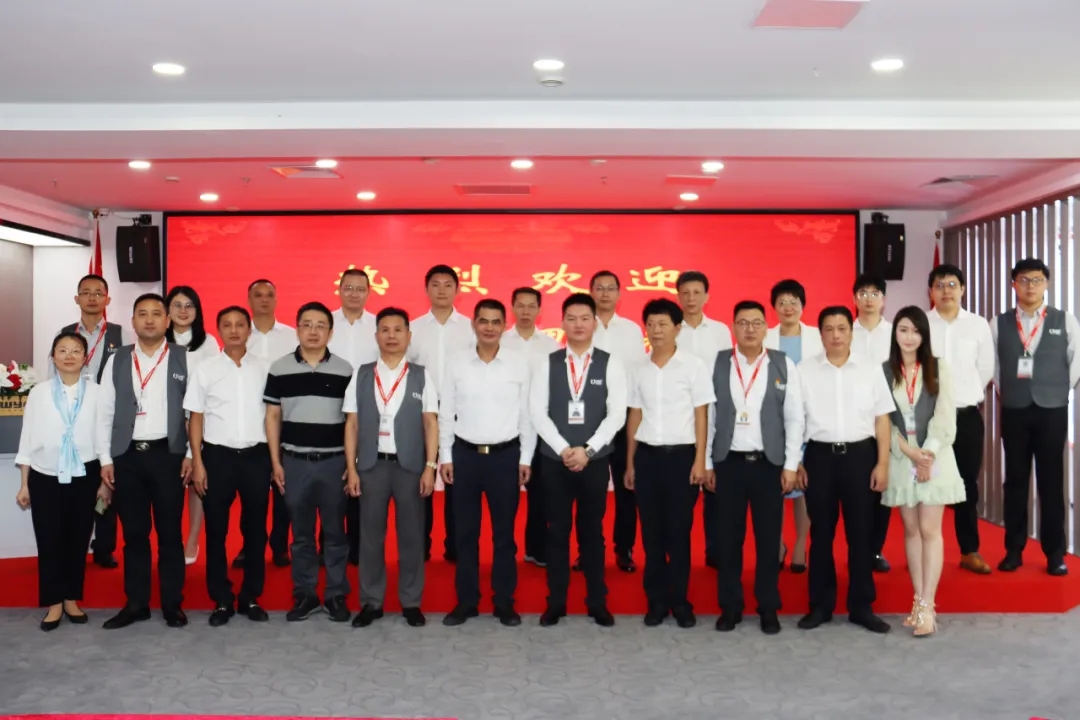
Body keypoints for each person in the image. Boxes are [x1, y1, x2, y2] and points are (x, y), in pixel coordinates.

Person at [98, 294, 192, 629]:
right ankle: (136, 603)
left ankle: (172, 604)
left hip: (169, 456)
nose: (149, 320)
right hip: (127, 457)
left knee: (169, 534)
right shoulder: (117, 359)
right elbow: (104, 413)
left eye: (156, 314)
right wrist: (106, 459)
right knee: (134, 533)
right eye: (142, 314)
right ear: (133, 321)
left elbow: (196, 412)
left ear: (168, 321)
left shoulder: (185, 358)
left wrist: (191, 455)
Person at [796, 306, 893, 634]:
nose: (836, 335)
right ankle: (820, 605)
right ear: (820, 334)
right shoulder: (805, 369)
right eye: (829, 329)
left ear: (851, 333)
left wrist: (882, 463)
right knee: (821, 534)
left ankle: (861, 606)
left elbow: (882, 419)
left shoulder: (870, 368)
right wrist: (796, 461)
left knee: (861, 534)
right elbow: (795, 419)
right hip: (819, 457)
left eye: (842, 328)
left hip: (860, 457)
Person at [531, 293, 625, 627]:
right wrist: (563, 450)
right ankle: (555, 602)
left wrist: (588, 450)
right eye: (571, 318)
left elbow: (617, 414)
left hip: (594, 462)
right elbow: (537, 412)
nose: (578, 324)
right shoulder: (548, 363)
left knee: (592, 533)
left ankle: (597, 602)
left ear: (595, 323)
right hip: (554, 461)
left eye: (585, 318)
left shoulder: (610, 363)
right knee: (557, 532)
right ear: (562, 323)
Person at [440, 299, 536, 627]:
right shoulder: (456, 363)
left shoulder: (518, 364)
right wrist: (446, 456)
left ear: (504, 326)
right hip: (465, 457)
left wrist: (525, 457)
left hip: (505, 458)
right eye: (484, 321)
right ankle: (466, 602)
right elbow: (445, 413)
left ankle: (504, 602)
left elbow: (527, 415)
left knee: (504, 535)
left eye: (496, 322)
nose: (490, 328)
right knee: (465, 534)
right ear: (474, 324)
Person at [711, 301, 804, 635]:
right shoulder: (719, 363)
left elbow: (794, 418)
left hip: (768, 465)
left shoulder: (782, 364)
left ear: (766, 327)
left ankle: (768, 607)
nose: (749, 329)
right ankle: (730, 607)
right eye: (743, 323)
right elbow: (709, 417)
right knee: (728, 541)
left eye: (756, 323)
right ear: (733, 327)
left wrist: (790, 465)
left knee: (768, 541)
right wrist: (707, 463)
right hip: (728, 464)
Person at [344, 308, 439, 628]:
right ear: (376, 336)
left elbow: (431, 423)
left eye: (398, 330)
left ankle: (411, 602)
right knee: (370, 537)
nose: (391, 336)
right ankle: (371, 602)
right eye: (385, 330)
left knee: (412, 536)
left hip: (409, 466)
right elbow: (352, 424)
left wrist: (430, 466)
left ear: (409, 336)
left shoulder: (421, 375)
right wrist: (351, 468)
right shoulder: (362, 374)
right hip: (372, 466)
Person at [624, 298, 714, 628]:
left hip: (682, 458)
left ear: (677, 328)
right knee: (651, 534)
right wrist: (630, 462)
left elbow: (701, 415)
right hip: (647, 458)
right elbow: (635, 415)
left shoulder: (693, 366)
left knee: (678, 533)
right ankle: (657, 601)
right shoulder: (639, 368)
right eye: (650, 324)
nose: (656, 330)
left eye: (663, 324)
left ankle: (681, 602)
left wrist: (700, 460)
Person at [14, 332, 111, 631]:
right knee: (49, 540)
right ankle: (54, 602)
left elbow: (103, 437)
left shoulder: (97, 393)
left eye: (76, 350)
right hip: (45, 476)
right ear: (53, 357)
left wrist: (104, 481)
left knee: (78, 539)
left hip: (85, 475)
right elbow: (28, 438)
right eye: (62, 350)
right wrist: (24, 483)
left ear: (85, 357)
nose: (69, 356)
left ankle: (71, 599)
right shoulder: (39, 393)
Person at [264, 302, 354, 622]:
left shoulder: (345, 370)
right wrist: (276, 462)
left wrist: (351, 464)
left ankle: (335, 594)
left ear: (330, 332)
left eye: (320, 326)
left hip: (334, 463)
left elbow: (352, 422)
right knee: (301, 535)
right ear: (297, 328)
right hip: (295, 462)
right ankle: (305, 594)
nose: (313, 331)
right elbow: (272, 417)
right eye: (307, 324)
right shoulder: (279, 368)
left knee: (335, 533)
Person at [881, 306, 966, 638]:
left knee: (930, 530)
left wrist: (926, 454)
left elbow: (946, 417)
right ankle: (917, 602)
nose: (909, 337)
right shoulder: (885, 371)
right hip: (902, 458)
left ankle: (928, 606)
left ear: (924, 336)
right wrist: (907, 451)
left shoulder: (938, 367)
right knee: (911, 530)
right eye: (903, 330)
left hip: (935, 457)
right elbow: (882, 420)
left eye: (916, 331)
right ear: (895, 333)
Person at [184, 306, 272, 626]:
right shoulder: (205, 369)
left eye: (240, 325)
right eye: (227, 325)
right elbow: (195, 417)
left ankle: (250, 596)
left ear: (249, 329)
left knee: (255, 530)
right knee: (216, 530)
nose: (234, 330)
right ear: (219, 330)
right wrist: (197, 461)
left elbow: (274, 416)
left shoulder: (265, 368)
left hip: (256, 456)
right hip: (217, 457)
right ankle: (221, 599)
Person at [992, 258, 1080, 576]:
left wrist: (1055, 390)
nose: (1030, 285)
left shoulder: (1064, 320)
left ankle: (1055, 553)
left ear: (1047, 283)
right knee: (1015, 481)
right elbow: (995, 369)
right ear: (1013, 284)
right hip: (1015, 410)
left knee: (1051, 482)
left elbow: (1075, 363)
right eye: (1024, 280)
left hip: (1051, 411)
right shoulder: (998, 323)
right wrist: (1011, 392)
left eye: (1037, 279)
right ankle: (1013, 551)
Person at [926, 264, 995, 574]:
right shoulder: (921, 323)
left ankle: (969, 550)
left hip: (966, 416)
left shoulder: (978, 325)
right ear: (931, 291)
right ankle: (925, 549)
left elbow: (986, 368)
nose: (946, 291)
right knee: (927, 481)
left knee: (967, 484)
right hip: (930, 419)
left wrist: (962, 394)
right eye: (940, 285)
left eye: (952, 284)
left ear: (963, 289)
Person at [408, 265, 476, 563]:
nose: (442, 290)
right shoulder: (413, 328)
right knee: (420, 480)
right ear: (426, 289)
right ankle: (420, 545)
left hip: (459, 413)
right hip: (420, 413)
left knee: (456, 481)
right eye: (435, 284)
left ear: (457, 290)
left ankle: (455, 545)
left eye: (448, 284)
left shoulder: (470, 328)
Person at [58, 274, 124, 570]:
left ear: (107, 299)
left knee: (106, 482)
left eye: (99, 293)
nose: (92, 298)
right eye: (86, 292)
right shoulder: (64, 334)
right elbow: (53, 375)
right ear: (77, 298)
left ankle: (104, 546)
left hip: (107, 418)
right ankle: (74, 542)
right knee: (76, 483)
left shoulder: (121, 334)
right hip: (72, 419)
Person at [675, 270, 732, 570]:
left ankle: (716, 549)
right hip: (681, 418)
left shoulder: (721, 331)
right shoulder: (672, 329)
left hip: (716, 415)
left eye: (697, 292)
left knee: (715, 487)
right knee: (682, 492)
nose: (691, 298)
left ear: (707, 296)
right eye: (685, 292)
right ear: (678, 296)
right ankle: (678, 553)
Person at [764, 279, 822, 574]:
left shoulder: (818, 337)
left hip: (810, 421)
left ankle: (800, 544)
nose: (788, 307)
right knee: (773, 486)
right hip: (774, 423)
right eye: (782, 302)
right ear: (773, 307)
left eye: (794, 302)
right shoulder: (764, 337)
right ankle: (777, 544)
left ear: (803, 305)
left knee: (804, 485)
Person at [590, 270, 646, 573]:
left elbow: (638, 375)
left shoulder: (632, 330)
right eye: (599, 288)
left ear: (619, 294)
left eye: (610, 288)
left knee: (627, 486)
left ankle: (624, 549)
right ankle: (588, 550)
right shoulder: (583, 325)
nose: (605, 293)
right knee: (591, 489)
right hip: (591, 419)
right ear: (591, 292)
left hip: (624, 418)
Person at [243, 278, 298, 570]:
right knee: (251, 493)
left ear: (276, 300)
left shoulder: (291, 337)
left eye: (269, 295)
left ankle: (280, 545)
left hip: (285, 422)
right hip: (248, 423)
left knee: (283, 491)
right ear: (249, 300)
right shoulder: (240, 334)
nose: (264, 299)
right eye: (258, 295)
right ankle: (249, 546)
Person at [503, 287, 560, 568]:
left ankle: (536, 548)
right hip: (505, 426)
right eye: (520, 305)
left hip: (539, 428)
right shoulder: (500, 341)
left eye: (531, 306)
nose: (525, 311)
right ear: (512, 307)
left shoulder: (551, 345)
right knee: (505, 495)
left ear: (539, 310)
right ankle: (504, 551)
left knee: (541, 493)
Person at [164, 285, 221, 567]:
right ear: (168, 309)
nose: (183, 311)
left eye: (189, 305)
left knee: (197, 482)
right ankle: (170, 540)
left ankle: (193, 537)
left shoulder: (208, 342)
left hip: (198, 418)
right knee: (170, 484)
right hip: (165, 420)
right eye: (177, 305)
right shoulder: (157, 340)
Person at [329, 267, 379, 567]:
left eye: (360, 289)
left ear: (369, 292)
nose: (354, 294)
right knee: (332, 481)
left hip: (368, 412)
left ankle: (359, 547)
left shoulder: (378, 326)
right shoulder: (326, 323)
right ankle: (330, 546)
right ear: (339, 289)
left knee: (363, 481)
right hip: (329, 411)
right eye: (348, 288)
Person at [851, 273, 894, 573]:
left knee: (881, 489)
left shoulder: (895, 333)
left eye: (875, 293)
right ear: (854, 298)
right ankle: (856, 548)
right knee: (855, 490)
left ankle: (875, 550)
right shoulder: (843, 331)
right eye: (863, 293)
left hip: (887, 417)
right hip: (852, 421)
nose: (868, 299)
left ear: (883, 299)